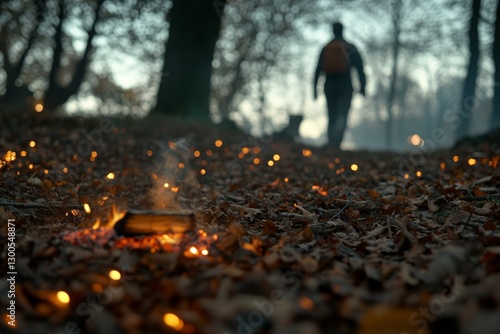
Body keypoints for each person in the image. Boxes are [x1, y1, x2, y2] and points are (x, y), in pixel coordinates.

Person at [313, 22, 366, 148]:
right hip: (345, 85)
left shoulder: (326, 48)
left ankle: (332, 142)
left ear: (332, 31)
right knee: (342, 113)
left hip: (329, 85)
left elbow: (317, 70)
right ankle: (337, 140)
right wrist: (363, 86)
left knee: (331, 113)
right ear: (343, 30)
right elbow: (360, 68)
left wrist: (314, 89)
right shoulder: (349, 47)